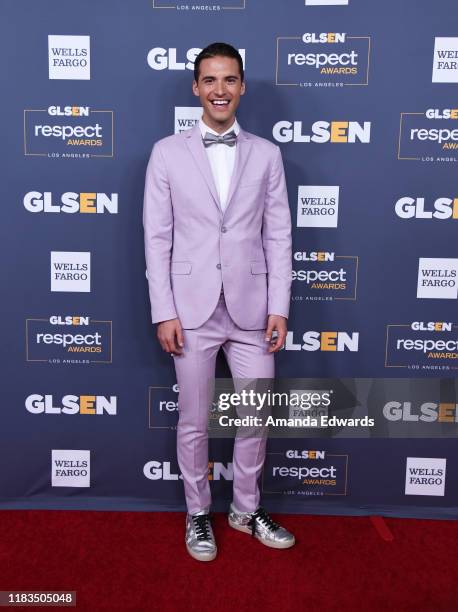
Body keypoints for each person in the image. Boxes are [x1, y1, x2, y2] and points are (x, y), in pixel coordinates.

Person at [143, 42, 294, 561]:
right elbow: (156, 238)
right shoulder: (166, 153)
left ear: (242, 86)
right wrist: (164, 310)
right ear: (195, 88)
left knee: (255, 417)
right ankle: (198, 515)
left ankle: (246, 509)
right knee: (194, 419)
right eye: (210, 80)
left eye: (229, 79)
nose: (220, 90)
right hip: (191, 310)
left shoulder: (268, 154)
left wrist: (280, 305)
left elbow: (279, 236)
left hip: (254, 311)